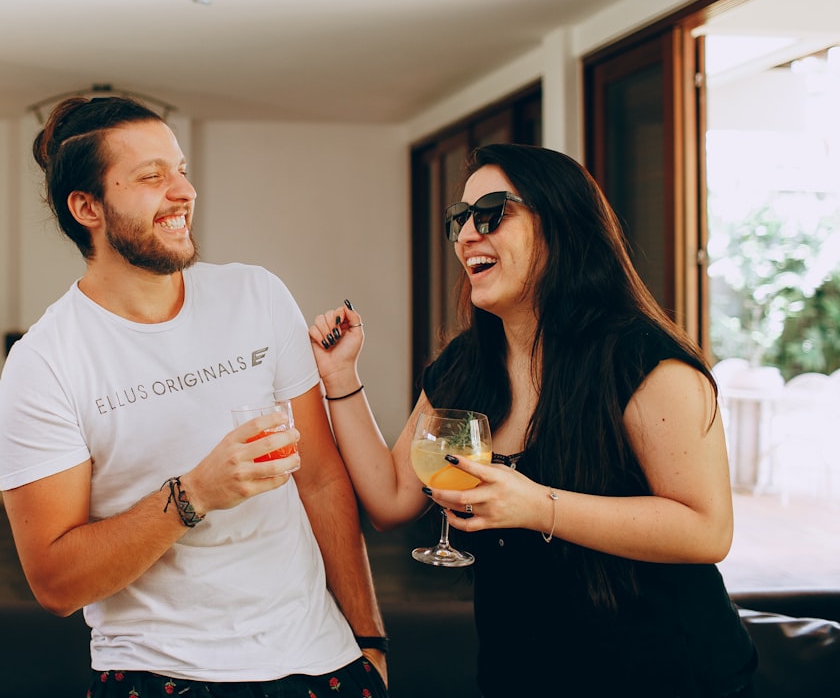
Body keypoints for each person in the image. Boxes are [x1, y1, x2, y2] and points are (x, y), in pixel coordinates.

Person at [309, 143, 757, 697]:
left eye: (492, 211)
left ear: (563, 226)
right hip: (520, 675)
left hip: (669, 676)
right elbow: (391, 500)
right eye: (460, 219)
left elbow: (707, 530)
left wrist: (535, 506)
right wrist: (339, 377)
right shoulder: (465, 364)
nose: (467, 234)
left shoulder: (643, 359)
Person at [0, 96, 387, 698]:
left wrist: (369, 640)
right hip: (161, 674)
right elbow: (56, 583)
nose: (183, 191)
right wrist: (194, 494)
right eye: (152, 177)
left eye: (179, 169)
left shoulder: (257, 295)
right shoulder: (45, 363)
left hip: (319, 657)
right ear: (86, 206)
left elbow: (322, 479)